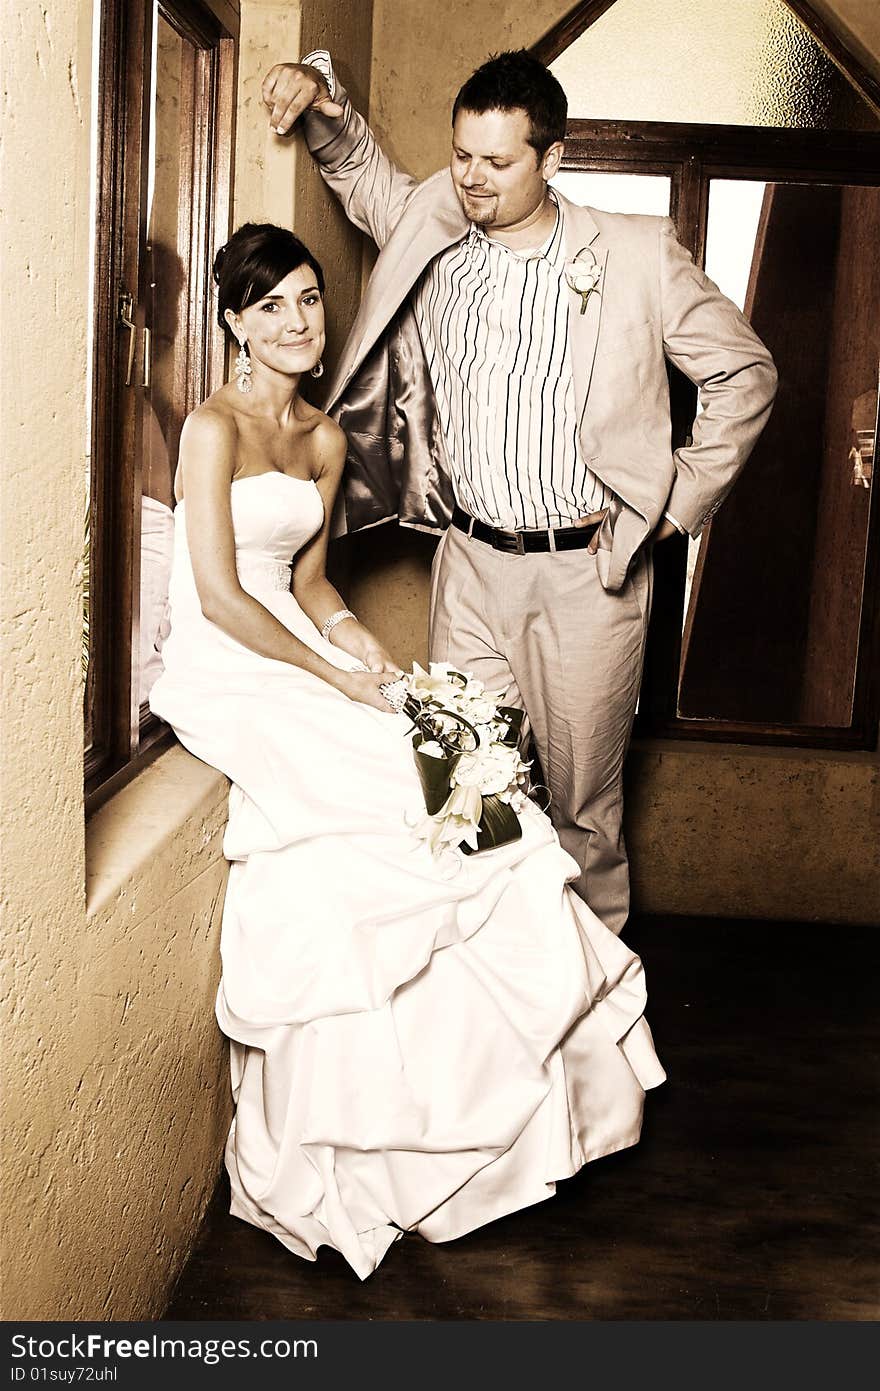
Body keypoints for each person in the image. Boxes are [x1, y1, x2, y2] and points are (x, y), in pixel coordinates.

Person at [149, 221, 665, 1281]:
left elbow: (309, 585)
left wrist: (378, 663)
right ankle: (378, 1132)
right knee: (388, 795)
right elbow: (218, 594)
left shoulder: (326, 438)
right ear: (235, 323)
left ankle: (498, 1116)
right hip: (223, 659)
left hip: (292, 638)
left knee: (452, 761)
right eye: (272, 306)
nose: (299, 321)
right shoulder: (211, 426)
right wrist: (333, 680)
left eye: (308, 299)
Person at [260, 48, 779, 937]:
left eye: (498, 163)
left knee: (583, 811)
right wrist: (319, 102)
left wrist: (671, 506)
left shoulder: (635, 252)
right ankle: (495, 1018)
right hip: (467, 568)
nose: (472, 179)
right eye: (463, 155)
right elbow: (358, 171)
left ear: (554, 158)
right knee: (465, 798)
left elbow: (746, 372)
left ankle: (595, 1042)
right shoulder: (436, 219)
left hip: (590, 578)